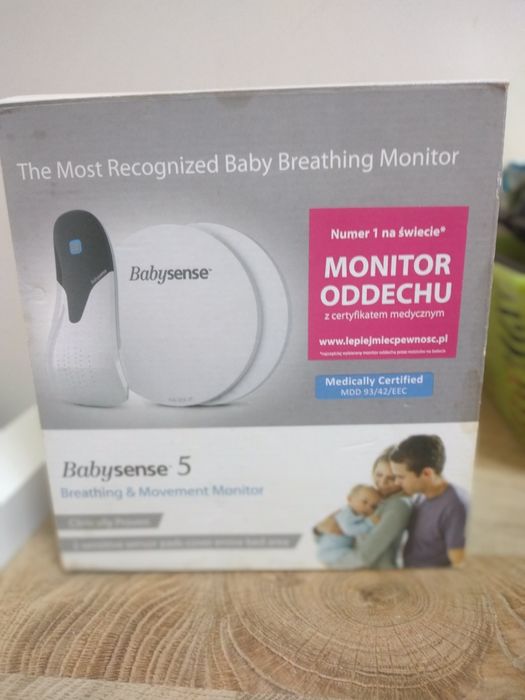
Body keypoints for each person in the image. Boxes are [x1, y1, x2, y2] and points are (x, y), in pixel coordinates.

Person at [314, 446, 412, 569]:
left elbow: (364, 557)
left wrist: (331, 566)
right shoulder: (372, 499)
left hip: (378, 574)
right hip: (356, 570)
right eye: (379, 475)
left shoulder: (398, 506)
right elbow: (332, 528)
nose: (382, 483)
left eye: (391, 478)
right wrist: (318, 530)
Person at [390, 434, 468, 568]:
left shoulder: (455, 506)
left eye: (401, 477)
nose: (397, 482)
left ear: (427, 473)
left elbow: (459, 564)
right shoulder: (421, 496)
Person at [314, 484, 382, 566]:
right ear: (350, 499)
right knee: (359, 559)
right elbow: (349, 530)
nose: (368, 508)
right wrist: (369, 523)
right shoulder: (346, 514)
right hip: (331, 551)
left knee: (356, 558)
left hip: (337, 551)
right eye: (364, 502)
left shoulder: (358, 514)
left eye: (373, 506)